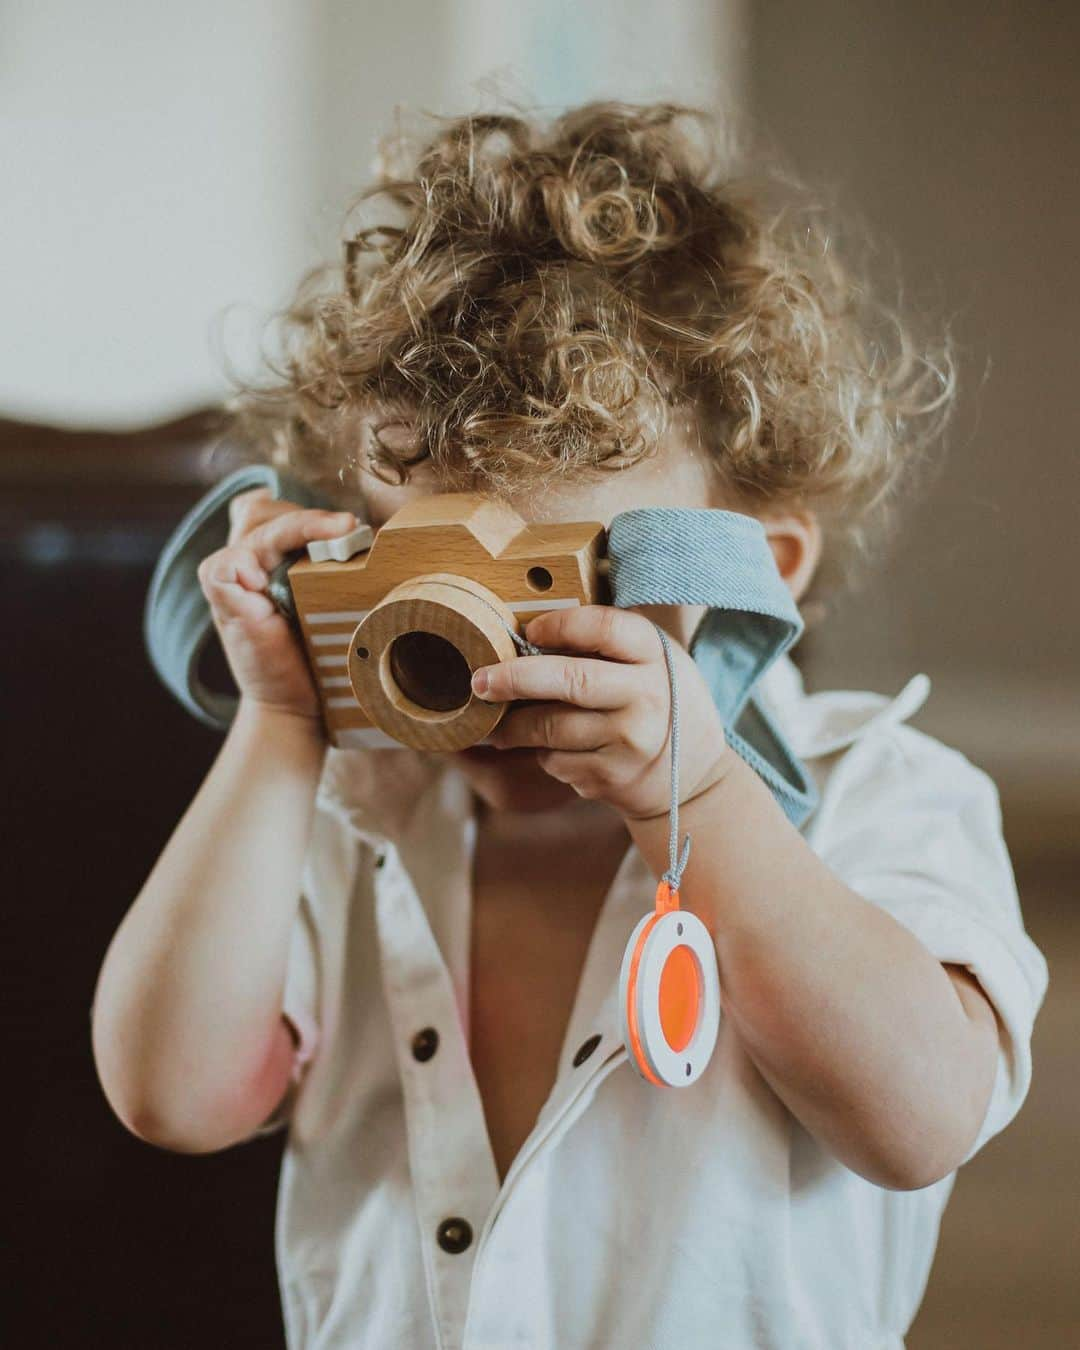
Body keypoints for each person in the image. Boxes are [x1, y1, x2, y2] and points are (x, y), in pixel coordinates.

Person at [90, 101, 1049, 1349]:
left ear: (758, 569)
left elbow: (919, 1123)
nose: (494, 668)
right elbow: (173, 1096)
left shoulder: (881, 792)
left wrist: (699, 798)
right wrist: (281, 719)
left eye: (559, 582)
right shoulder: (353, 813)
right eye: (430, 586)